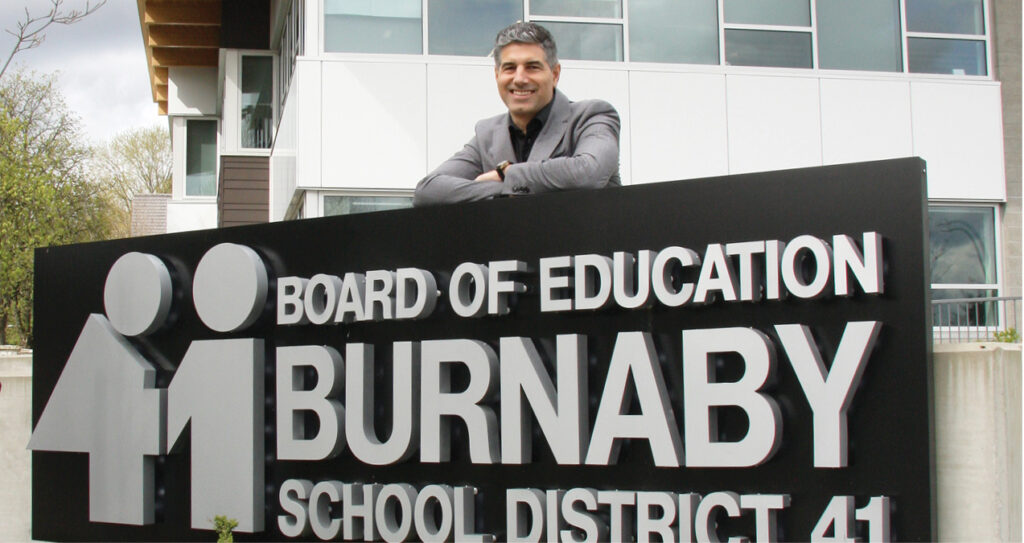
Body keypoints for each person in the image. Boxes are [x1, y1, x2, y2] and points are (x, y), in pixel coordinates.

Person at [413, 22, 621, 206]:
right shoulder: (487, 135)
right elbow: (428, 191)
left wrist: (506, 173)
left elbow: (588, 173)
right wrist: (504, 192)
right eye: (510, 68)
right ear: (497, 75)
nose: (520, 79)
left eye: (532, 67)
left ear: (555, 74)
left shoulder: (592, 117)